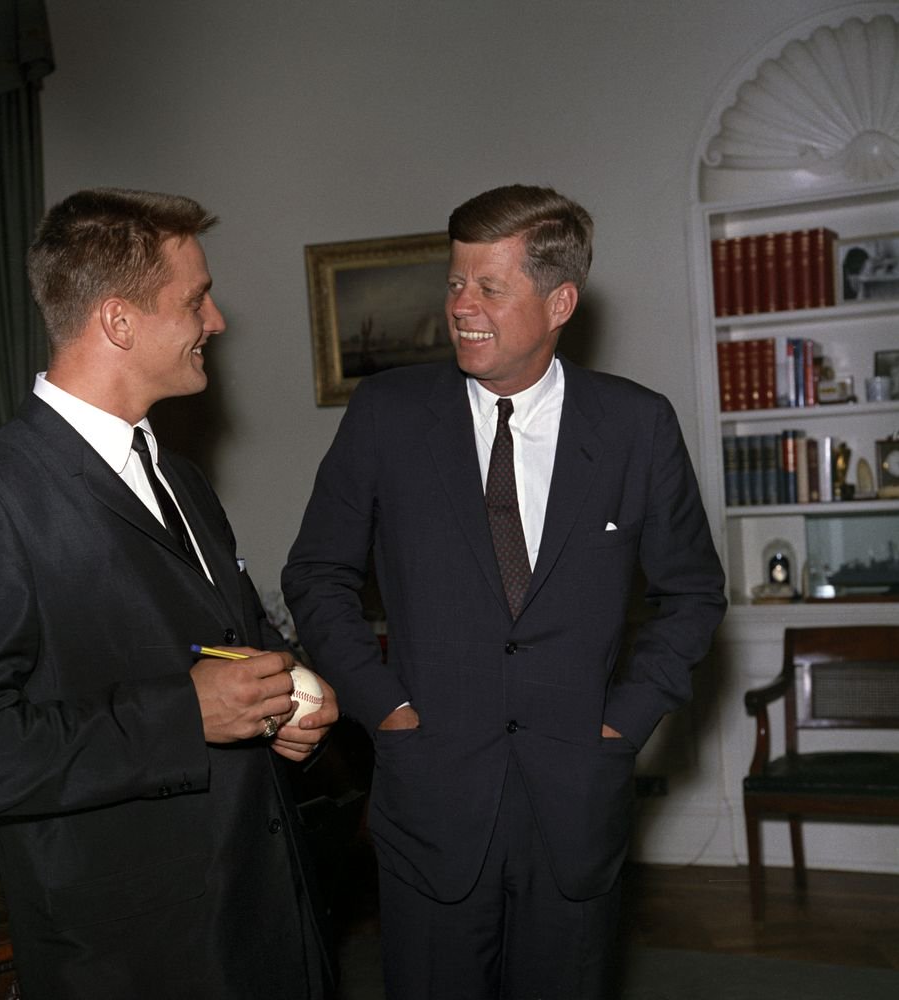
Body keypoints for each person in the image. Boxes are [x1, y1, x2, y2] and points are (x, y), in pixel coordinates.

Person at [282, 184, 727, 999]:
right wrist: (383, 706)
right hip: (429, 796)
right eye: (455, 282)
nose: (462, 306)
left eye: (490, 287)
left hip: (577, 801)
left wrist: (623, 722)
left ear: (560, 300)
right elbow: (316, 574)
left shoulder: (637, 426)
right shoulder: (387, 414)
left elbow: (692, 593)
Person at [0, 188, 338, 999]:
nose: (217, 322)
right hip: (132, 959)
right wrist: (184, 713)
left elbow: (212, 649)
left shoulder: (178, 477)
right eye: (195, 299)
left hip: (260, 920)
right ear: (118, 321)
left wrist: (282, 702)